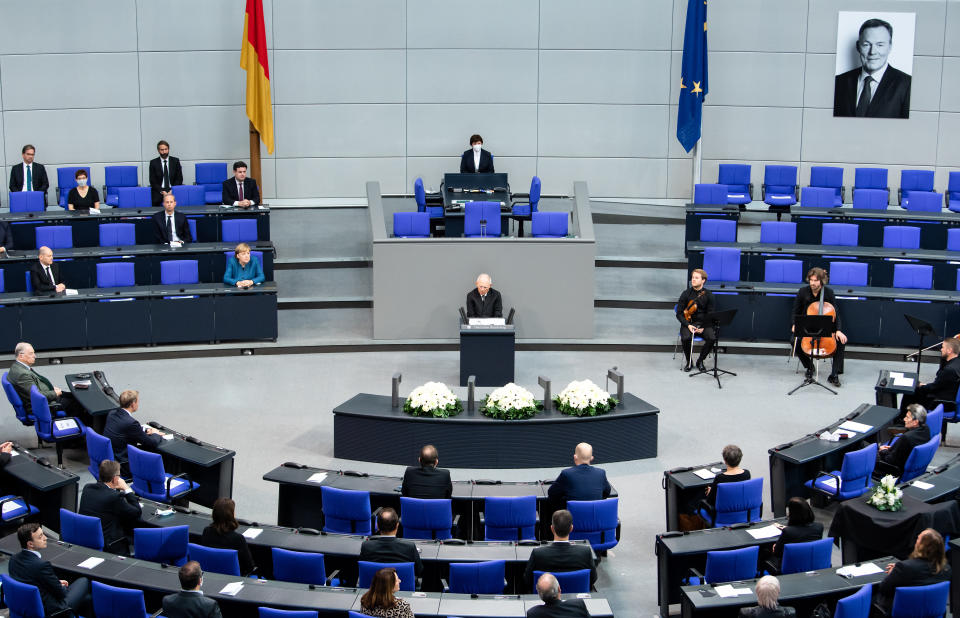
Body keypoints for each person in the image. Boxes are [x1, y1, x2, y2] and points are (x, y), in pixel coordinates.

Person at [9, 523, 92, 617]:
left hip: (27, 605)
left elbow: (30, 580)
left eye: (43, 534)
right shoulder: (41, 565)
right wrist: (60, 586)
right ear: (30, 544)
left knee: (87, 599)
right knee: (84, 580)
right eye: (40, 537)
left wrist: (56, 583)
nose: (45, 538)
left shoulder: (13, 559)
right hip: (53, 610)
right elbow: (62, 593)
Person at [834, 18, 911, 119]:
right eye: (866, 45)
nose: (872, 52)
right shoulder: (838, 82)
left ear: (890, 47)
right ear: (858, 46)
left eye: (880, 45)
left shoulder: (907, 84)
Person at [792, 267, 847, 387]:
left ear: (822, 281)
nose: (812, 283)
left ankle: (834, 375)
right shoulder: (802, 292)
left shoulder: (828, 293)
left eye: (815, 280)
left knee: (841, 341)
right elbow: (795, 311)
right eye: (811, 280)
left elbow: (836, 312)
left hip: (826, 327)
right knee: (794, 341)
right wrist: (794, 324)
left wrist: (838, 330)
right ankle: (809, 367)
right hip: (808, 327)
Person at [877, 528, 951, 612]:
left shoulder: (904, 568)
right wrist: (898, 570)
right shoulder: (946, 568)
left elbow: (884, 589)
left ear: (921, 546)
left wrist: (892, 573)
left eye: (918, 539)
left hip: (904, 612)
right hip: (931, 612)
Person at [78, 460, 142, 555]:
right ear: (115, 479)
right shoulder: (114, 497)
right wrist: (127, 489)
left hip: (86, 537)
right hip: (109, 544)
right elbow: (136, 512)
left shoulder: (88, 488)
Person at [524, 510, 596, 591]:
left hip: (547, 600)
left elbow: (528, 581)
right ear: (571, 528)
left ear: (552, 528)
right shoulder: (585, 553)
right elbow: (592, 579)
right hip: (575, 600)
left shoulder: (537, 554)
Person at [8, 342, 81, 416]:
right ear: (21, 356)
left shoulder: (18, 367)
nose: (35, 356)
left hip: (45, 399)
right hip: (44, 406)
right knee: (79, 403)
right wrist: (54, 393)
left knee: (75, 396)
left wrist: (51, 389)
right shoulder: (22, 374)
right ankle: (85, 426)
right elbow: (37, 396)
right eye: (31, 353)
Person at [103, 390, 166, 469]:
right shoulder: (131, 423)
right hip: (124, 464)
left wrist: (146, 430)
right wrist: (155, 433)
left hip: (112, 457)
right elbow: (151, 442)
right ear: (133, 404)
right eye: (137, 402)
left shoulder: (112, 413)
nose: (138, 404)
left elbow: (126, 429)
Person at [359, 508, 423, 577]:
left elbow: (361, 571)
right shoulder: (409, 547)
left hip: (375, 586)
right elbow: (419, 572)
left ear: (377, 526)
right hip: (402, 587)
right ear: (397, 525)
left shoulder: (366, 546)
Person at [900, 338, 960, 412]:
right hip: (948, 398)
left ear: (949, 350)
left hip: (942, 403)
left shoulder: (949, 370)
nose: (941, 349)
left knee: (911, 392)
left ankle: (902, 419)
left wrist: (921, 386)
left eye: (943, 347)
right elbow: (941, 384)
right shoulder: (957, 363)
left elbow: (934, 388)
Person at [200, 497, 256, 576]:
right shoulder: (238, 539)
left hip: (210, 575)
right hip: (233, 579)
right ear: (231, 516)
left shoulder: (206, 531)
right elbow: (249, 567)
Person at [676, 268, 716, 372]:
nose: (693, 280)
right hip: (688, 322)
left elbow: (710, 313)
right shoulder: (686, 294)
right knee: (685, 338)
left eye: (696, 278)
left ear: (703, 280)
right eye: (693, 277)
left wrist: (703, 326)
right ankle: (689, 361)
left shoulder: (709, 295)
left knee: (712, 337)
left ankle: (700, 361)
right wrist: (688, 325)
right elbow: (679, 313)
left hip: (704, 323)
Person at [769, 497, 823, 572]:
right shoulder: (819, 527)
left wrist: (775, 546)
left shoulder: (788, 532)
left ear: (792, 514)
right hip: (811, 563)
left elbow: (777, 553)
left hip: (791, 567)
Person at [548, 443, 612, 504]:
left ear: (575, 457)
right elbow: (606, 493)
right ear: (591, 458)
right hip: (597, 514)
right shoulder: (601, 473)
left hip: (574, 515)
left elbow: (552, 494)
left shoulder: (566, 474)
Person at [876, 404, 930, 476]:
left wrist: (882, 451)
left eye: (907, 417)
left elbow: (890, 460)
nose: (904, 419)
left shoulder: (906, 438)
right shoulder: (926, 429)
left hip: (893, 470)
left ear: (915, 422)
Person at [149, 140, 183, 207]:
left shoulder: (175, 161)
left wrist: (172, 190)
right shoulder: (153, 163)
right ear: (158, 150)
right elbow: (152, 181)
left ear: (168, 149)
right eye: (162, 150)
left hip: (173, 189)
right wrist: (162, 191)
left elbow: (179, 179)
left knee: (179, 201)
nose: (164, 152)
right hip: (159, 190)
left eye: (166, 149)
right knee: (155, 201)